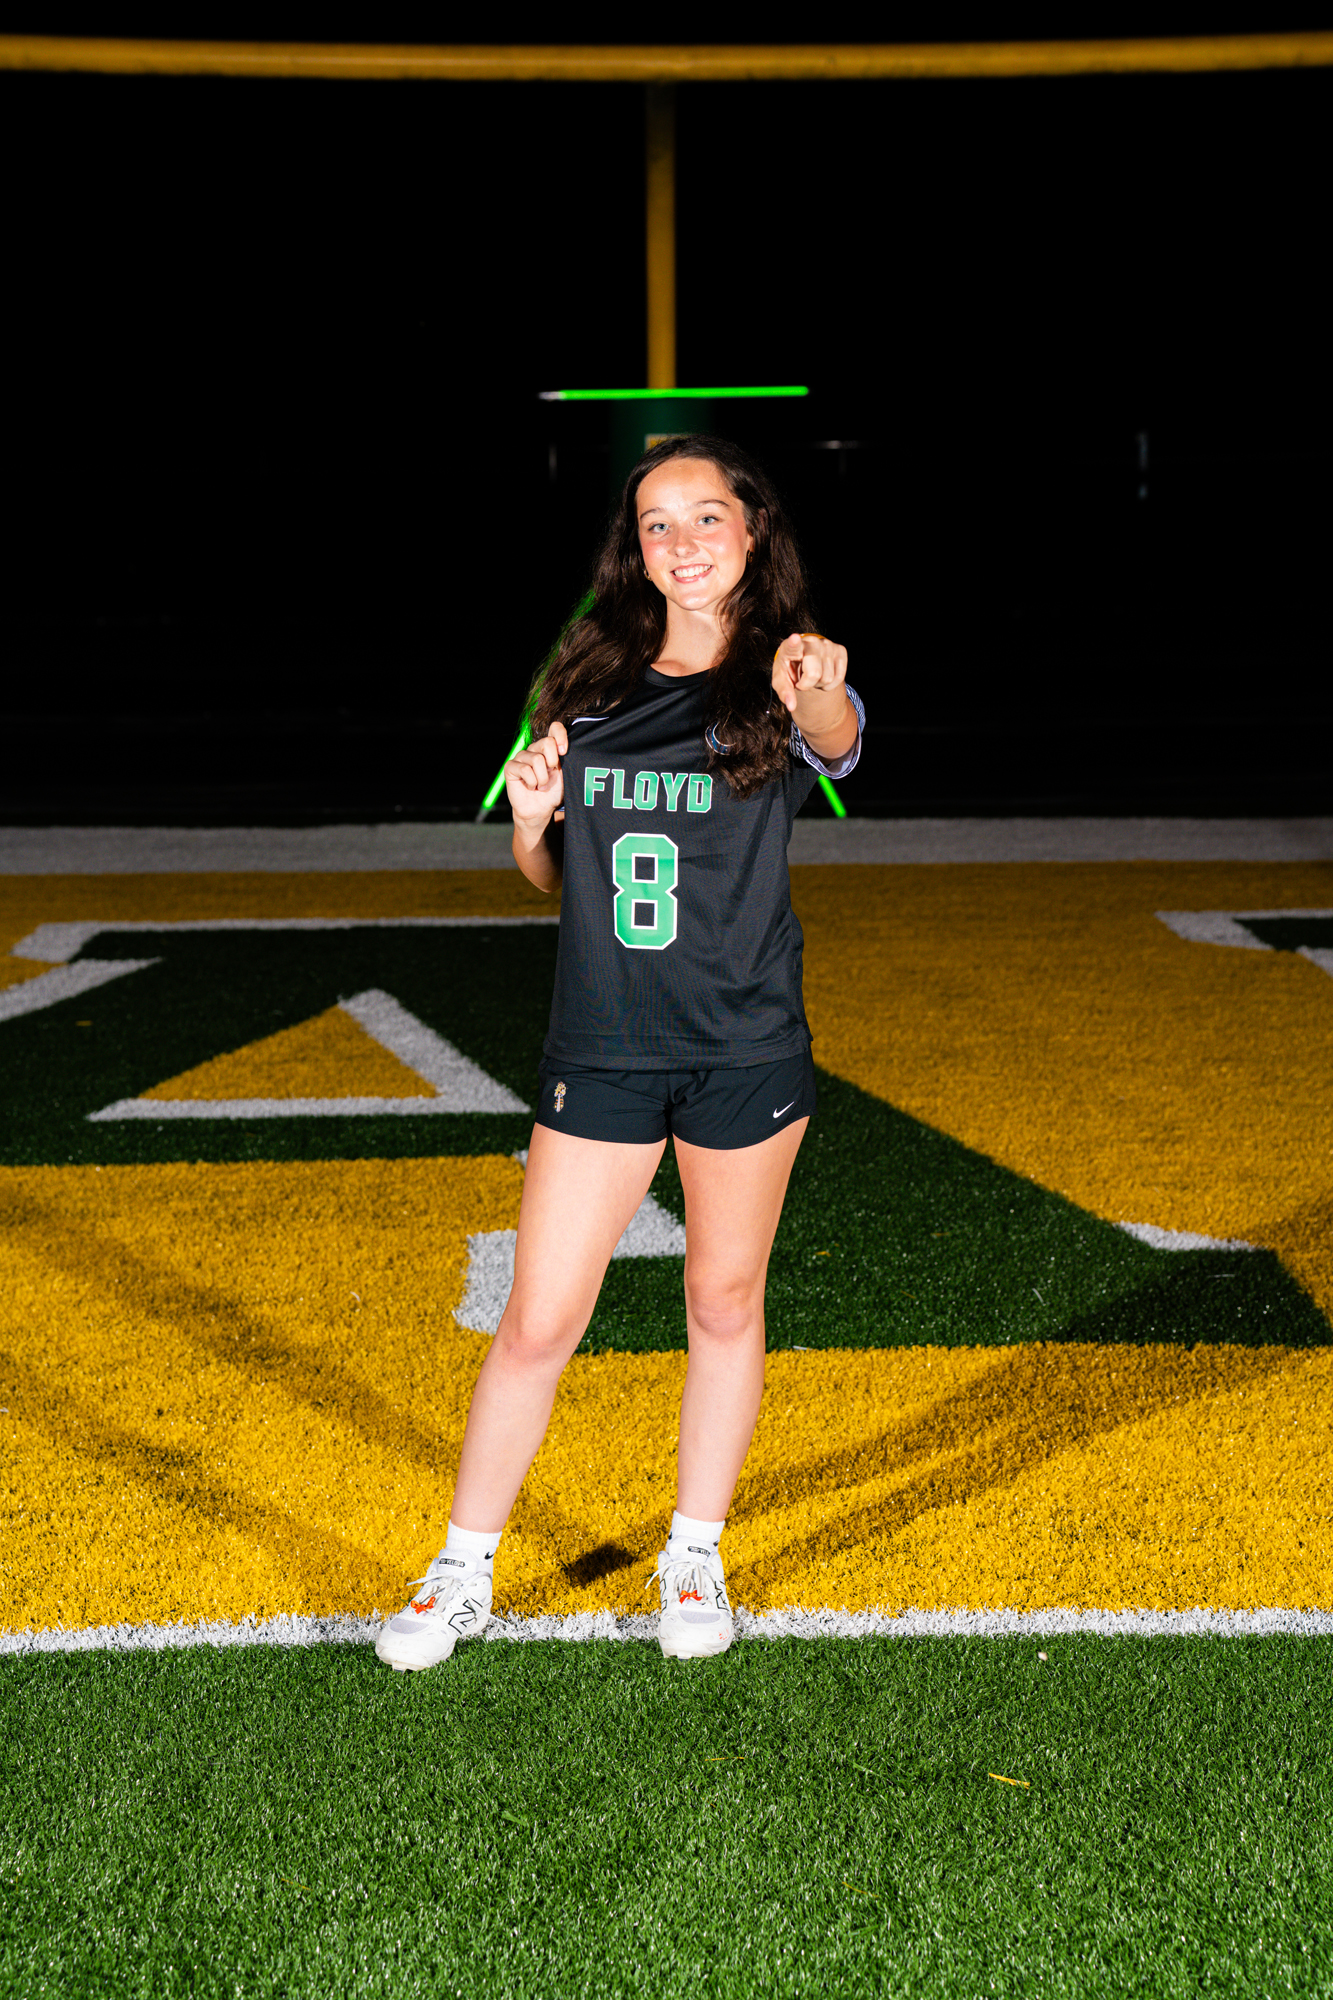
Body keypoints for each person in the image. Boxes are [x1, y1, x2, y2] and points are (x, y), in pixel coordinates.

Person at [376, 435, 863, 1672]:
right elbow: (554, 874)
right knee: (538, 1317)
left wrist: (819, 683)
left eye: (706, 516)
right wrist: (530, 824)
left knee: (722, 1300)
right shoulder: (588, 674)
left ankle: (694, 1551)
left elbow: (839, 733)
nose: (682, 541)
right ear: (632, 547)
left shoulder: (786, 669)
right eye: (657, 523)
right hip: (601, 1042)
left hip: (743, 1042)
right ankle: (460, 1566)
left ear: (753, 530)